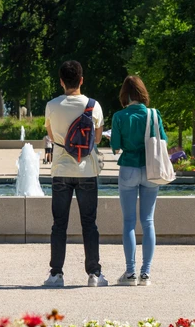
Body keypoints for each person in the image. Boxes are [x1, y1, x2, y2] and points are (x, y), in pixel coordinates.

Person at [42, 60, 106, 288]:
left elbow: (51, 136)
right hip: (86, 170)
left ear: (61, 81)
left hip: (60, 170)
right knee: (90, 223)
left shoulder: (51, 105)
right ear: (81, 80)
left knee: (59, 224)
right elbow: (96, 140)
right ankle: (94, 274)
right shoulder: (93, 105)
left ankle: (56, 274)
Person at [109, 75, 165, 286]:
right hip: (151, 169)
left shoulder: (119, 116)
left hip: (129, 169)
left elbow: (116, 146)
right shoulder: (153, 114)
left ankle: (130, 273)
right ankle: (146, 273)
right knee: (148, 221)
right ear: (142, 92)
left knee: (129, 222)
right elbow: (163, 141)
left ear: (125, 94)